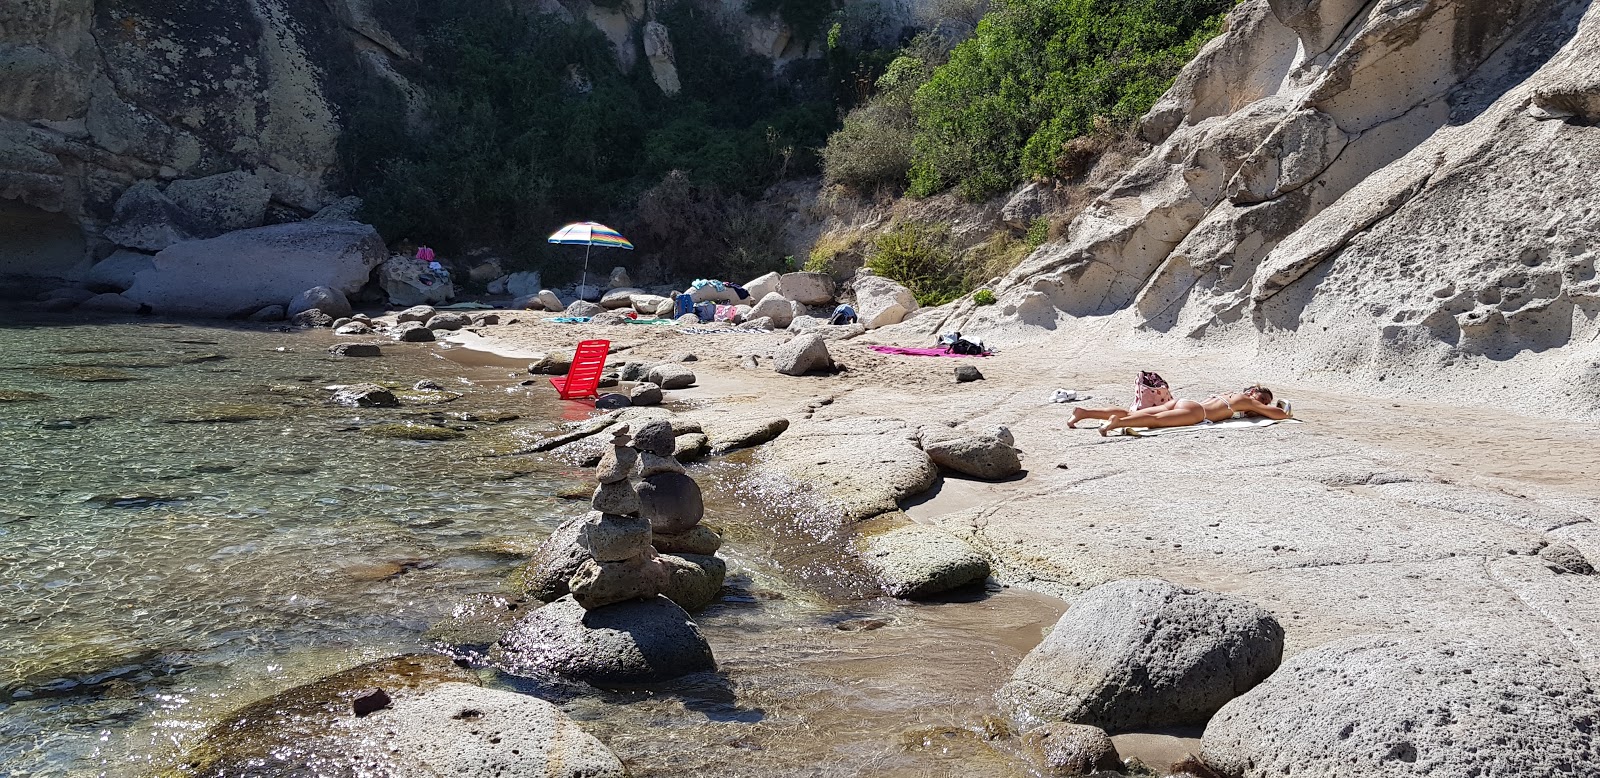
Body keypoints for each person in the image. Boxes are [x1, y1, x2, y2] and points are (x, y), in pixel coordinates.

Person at [1068, 385, 1290, 436]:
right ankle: (1118, 423)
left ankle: (1084, 413)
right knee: (1155, 421)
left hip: (1186, 403)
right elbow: (1279, 414)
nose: (1263, 404)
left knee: (1140, 413)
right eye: (1262, 399)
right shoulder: (1246, 400)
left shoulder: (1232, 396)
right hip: (1197, 413)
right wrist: (1279, 408)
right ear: (1252, 392)